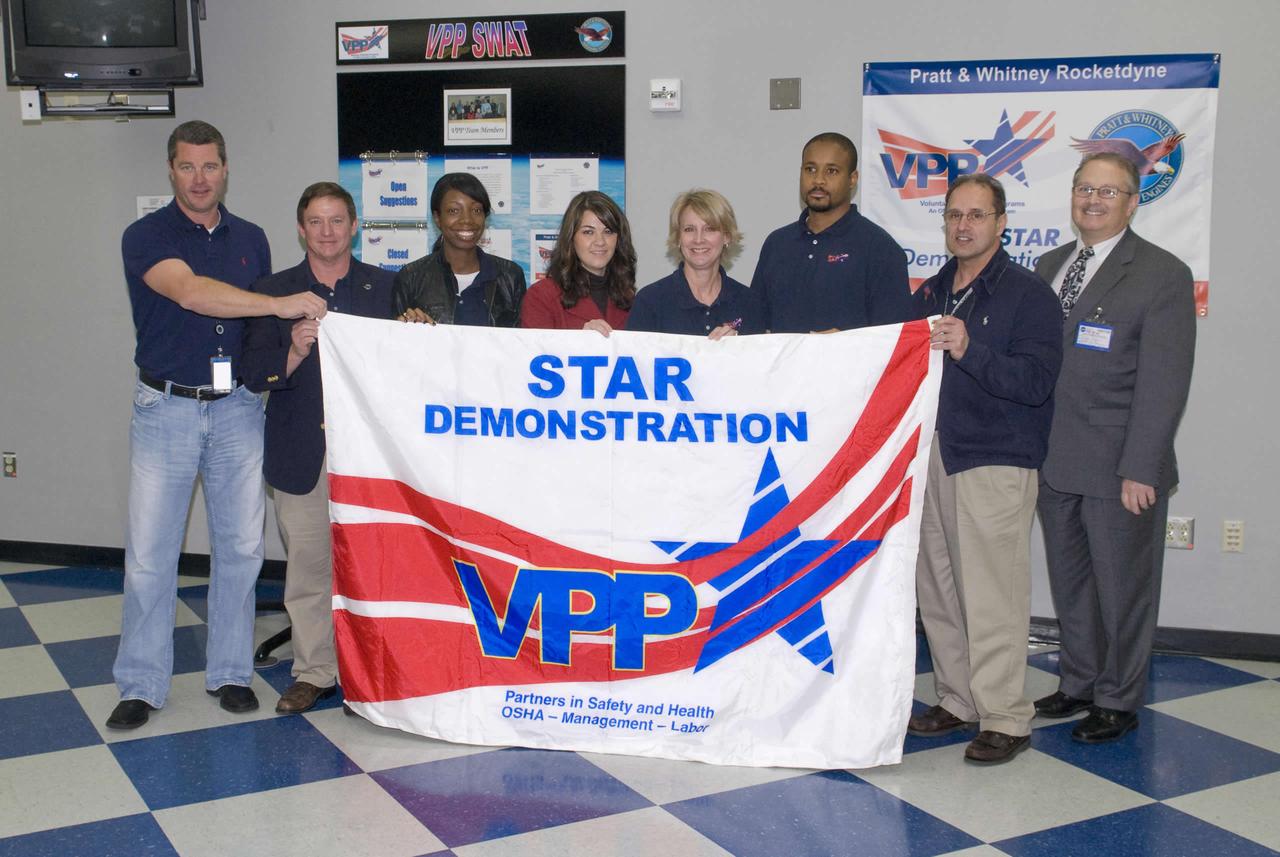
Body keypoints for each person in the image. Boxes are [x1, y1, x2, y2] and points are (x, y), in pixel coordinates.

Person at [109, 121, 327, 730]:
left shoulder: (251, 239)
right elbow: (191, 293)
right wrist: (282, 304)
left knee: (240, 549)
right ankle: (141, 683)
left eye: (210, 166)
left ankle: (230, 672)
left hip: (237, 410)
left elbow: (257, 336)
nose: (199, 179)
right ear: (171, 171)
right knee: (152, 556)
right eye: (187, 167)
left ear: (225, 169)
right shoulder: (145, 236)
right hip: (166, 409)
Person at [1033, 152, 1196, 743]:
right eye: (1083, 188)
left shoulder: (1161, 273)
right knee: (1071, 583)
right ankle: (1078, 682)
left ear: (1133, 202)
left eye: (1108, 191)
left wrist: (1142, 468)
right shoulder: (1049, 265)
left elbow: (1164, 382)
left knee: (1123, 587)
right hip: (1053, 460)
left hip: (1120, 466)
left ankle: (1118, 697)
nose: (1093, 200)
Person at [907, 174, 1062, 764]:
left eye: (975, 215)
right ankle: (957, 697)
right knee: (939, 588)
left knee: (992, 591)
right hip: (933, 456)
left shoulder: (1028, 295)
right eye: (953, 216)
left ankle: (1004, 715)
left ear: (1001, 223)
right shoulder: (930, 291)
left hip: (995, 459)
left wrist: (972, 348)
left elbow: (1036, 382)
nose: (962, 226)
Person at [240, 183, 394, 714]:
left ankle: (374, 674)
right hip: (303, 450)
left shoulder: (387, 289)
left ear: (354, 226)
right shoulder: (273, 291)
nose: (326, 232)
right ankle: (314, 672)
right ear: (301, 228)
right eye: (315, 222)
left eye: (336, 221)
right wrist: (294, 350)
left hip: (372, 455)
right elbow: (254, 373)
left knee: (377, 568)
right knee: (307, 569)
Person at [751, 131, 913, 333]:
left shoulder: (880, 249)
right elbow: (754, 324)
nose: (818, 180)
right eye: (810, 169)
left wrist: (844, 344)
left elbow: (895, 340)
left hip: (850, 365)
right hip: (784, 366)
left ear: (852, 179)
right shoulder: (777, 244)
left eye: (832, 171)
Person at [626, 189, 764, 338]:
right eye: (689, 229)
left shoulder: (751, 303)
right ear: (678, 238)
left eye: (710, 229)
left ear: (727, 237)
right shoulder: (649, 302)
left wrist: (738, 348)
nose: (698, 239)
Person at [392, 172, 525, 327]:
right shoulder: (411, 278)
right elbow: (396, 345)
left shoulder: (510, 276)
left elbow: (521, 345)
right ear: (437, 218)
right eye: (454, 211)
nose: (467, 220)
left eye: (476, 210)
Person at [520, 190, 636, 334]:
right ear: (571, 238)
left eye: (608, 231)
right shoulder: (541, 297)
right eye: (588, 232)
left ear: (619, 239)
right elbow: (536, 354)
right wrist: (579, 341)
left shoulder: (630, 299)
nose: (600, 241)